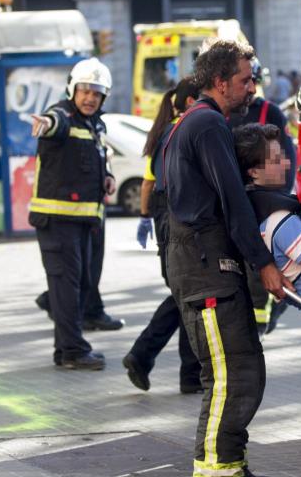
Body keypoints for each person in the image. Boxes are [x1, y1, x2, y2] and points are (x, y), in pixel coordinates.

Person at [163, 39, 291, 477]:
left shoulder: (197, 123)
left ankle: (229, 464)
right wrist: (265, 264)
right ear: (220, 82)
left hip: (206, 265)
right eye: (244, 79)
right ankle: (218, 470)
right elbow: (233, 200)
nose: (252, 87)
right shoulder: (207, 125)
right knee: (232, 377)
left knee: (240, 373)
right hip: (206, 268)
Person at [29, 57, 116, 370]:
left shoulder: (94, 125)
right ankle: (74, 351)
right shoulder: (62, 114)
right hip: (57, 221)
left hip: (82, 221)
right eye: (85, 91)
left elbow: (98, 159)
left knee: (77, 285)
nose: (90, 98)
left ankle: (65, 350)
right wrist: (46, 125)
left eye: (97, 93)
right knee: (68, 287)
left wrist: (108, 176)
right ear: (72, 90)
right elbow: (53, 124)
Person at [124, 77, 202, 394]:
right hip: (176, 222)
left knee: (184, 298)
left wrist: (145, 217)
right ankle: (143, 355)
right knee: (185, 297)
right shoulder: (183, 131)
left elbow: (148, 182)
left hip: (164, 219)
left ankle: (185, 373)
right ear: (188, 102)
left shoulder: (163, 133)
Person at [228, 58, 297, 335]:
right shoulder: (222, 114)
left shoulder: (270, 112)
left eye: (253, 81)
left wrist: (279, 201)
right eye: (246, 82)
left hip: (262, 201)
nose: (251, 88)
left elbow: (285, 158)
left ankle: (261, 321)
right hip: (237, 200)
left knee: (264, 276)